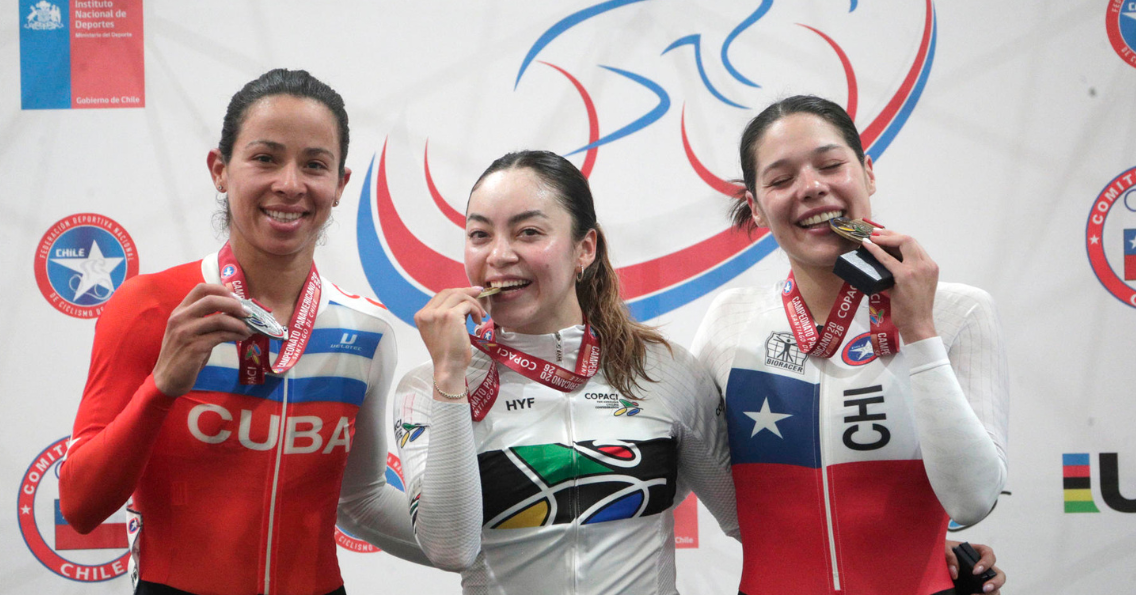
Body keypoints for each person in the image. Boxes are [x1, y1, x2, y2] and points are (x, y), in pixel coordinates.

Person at [59, 69, 423, 595]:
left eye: (314, 165)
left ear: (340, 186)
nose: (290, 184)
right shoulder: (151, 306)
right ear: (220, 170)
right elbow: (80, 506)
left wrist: (486, 548)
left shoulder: (365, 331)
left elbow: (362, 499)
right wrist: (162, 387)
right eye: (265, 158)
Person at [691, 95, 1009, 594]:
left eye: (830, 165)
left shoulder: (959, 311)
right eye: (780, 179)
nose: (812, 188)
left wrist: (920, 330)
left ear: (868, 172)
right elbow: (738, 514)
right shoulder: (729, 322)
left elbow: (970, 500)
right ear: (755, 205)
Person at [392, 150, 741, 594]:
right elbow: (449, 548)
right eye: (480, 234)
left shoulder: (664, 370)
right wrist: (450, 381)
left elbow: (745, 519)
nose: (498, 255)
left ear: (585, 249)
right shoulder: (429, 387)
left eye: (529, 232)